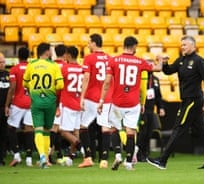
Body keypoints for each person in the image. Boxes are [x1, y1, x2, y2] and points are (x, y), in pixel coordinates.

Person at [147, 35, 204, 170]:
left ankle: (162, 160)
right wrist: (164, 63)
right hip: (187, 100)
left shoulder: (199, 61)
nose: (182, 47)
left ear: (193, 46)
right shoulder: (181, 60)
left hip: (193, 100)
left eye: (185, 45)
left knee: (178, 128)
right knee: (202, 132)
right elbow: (168, 71)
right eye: (181, 45)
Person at [98, 36, 162, 171]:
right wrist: (161, 59)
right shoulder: (139, 61)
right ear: (133, 47)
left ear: (124, 45)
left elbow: (107, 82)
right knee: (130, 131)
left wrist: (102, 101)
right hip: (133, 103)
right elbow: (158, 68)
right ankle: (128, 162)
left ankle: (117, 154)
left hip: (116, 102)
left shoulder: (113, 60)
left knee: (114, 128)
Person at [23, 42, 64, 168]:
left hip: (36, 101)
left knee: (38, 129)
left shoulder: (31, 65)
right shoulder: (54, 66)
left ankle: (41, 155)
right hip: (50, 101)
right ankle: (45, 158)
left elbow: (25, 83)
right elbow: (60, 85)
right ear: (47, 52)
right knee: (47, 129)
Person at [79, 33, 113, 168]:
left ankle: (88, 157)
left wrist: (82, 97)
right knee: (105, 127)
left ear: (94, 43)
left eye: (89, 42)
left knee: (83, 126)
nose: (88, 45)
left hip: (92, 97)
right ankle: (104, 160)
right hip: (106, 98)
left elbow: (86, 78)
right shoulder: (110, 59)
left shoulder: (89, 58)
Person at [5, 47, 34, 167]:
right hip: (31, 102)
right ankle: (29, 159)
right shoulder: (33, 68)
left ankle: (16, 155)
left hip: (18, 103)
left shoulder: (14, 69)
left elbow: (12, 87)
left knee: (11, 127)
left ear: (18, 56)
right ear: (28, 56)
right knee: (29, 129)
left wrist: (7, 105)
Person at [136, 58, 166, 162]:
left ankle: (146, 154)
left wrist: (161, 107)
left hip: (151, 110)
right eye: (150, 65)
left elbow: (158, 96)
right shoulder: (140, 77)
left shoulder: (156, 80)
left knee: (149, 133)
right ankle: (138, 154)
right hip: (141, 109)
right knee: (142, 133)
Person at [59, 46, 84, 165]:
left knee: (63, 132)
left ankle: (81, 147)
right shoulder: (82, 69)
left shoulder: (64, 68)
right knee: (75, 131)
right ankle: (70, 158)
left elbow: (58, 86)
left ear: (68, 55)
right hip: (79, 103)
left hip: (67, 103)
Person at [49, 44, 67, 164]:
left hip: (52, 98)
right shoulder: (66, 66)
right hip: (64, 101)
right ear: (65, 54)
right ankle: (51, 154)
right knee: (56, 129)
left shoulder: (51, 66)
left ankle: (57, 153)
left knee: (55, 128)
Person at [0, 52, 9, 166]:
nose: (2, 64)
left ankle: (1, 157)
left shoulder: (8, 75)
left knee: (3, 134)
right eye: (0, 62)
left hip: (5, 109)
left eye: (3, 62)